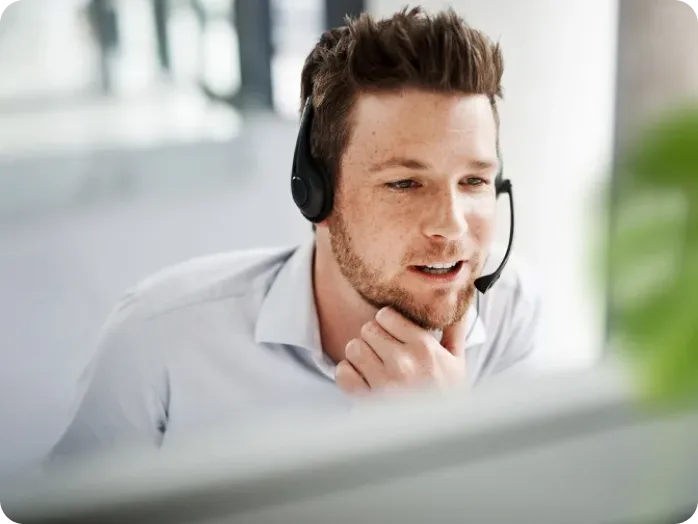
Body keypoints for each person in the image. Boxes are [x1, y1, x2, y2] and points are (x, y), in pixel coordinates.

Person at [51, 7, 541, 457]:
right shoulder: (159, 340)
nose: (451, 225)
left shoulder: (510, 312)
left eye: (474, 180)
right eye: (405, 183)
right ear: (315, 193)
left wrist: (446, 437)